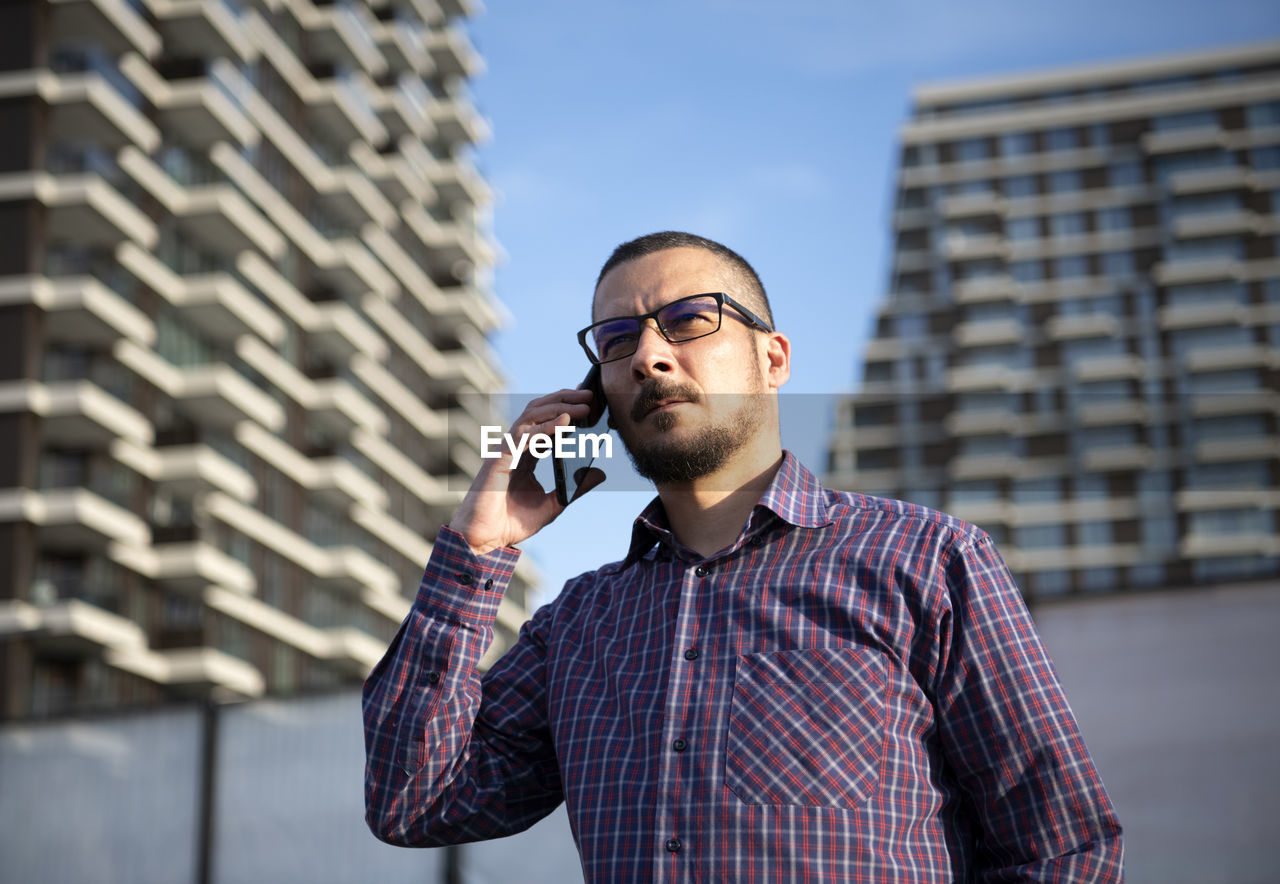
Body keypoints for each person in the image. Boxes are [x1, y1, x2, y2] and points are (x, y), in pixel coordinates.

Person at [363, 231, 1123, 881]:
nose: (649, 357)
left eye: (689, 320)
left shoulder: (925, 560)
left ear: (775, 358)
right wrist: (477, 547)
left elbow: (1061, 846)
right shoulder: (575, 626)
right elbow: (415, 800)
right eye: (618, 341)